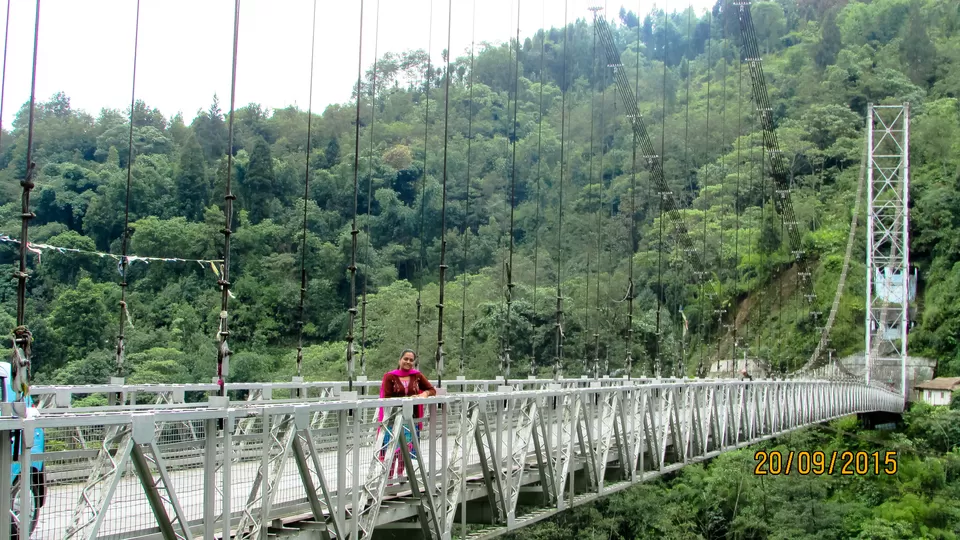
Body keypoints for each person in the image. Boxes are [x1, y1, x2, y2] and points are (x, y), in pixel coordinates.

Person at [377, 349, 436, 479]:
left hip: (410, 418)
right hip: (393, 418)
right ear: (400, 360)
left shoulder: (417, 376)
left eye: (411, 360)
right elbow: (386, 397)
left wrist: (423, 394)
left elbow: (431, 390)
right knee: (391, 448)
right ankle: (389, 478)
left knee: (405, 449)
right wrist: (404, 400)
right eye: (406, 359)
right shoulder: (390, 376)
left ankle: (400, 475)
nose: (408, 362)